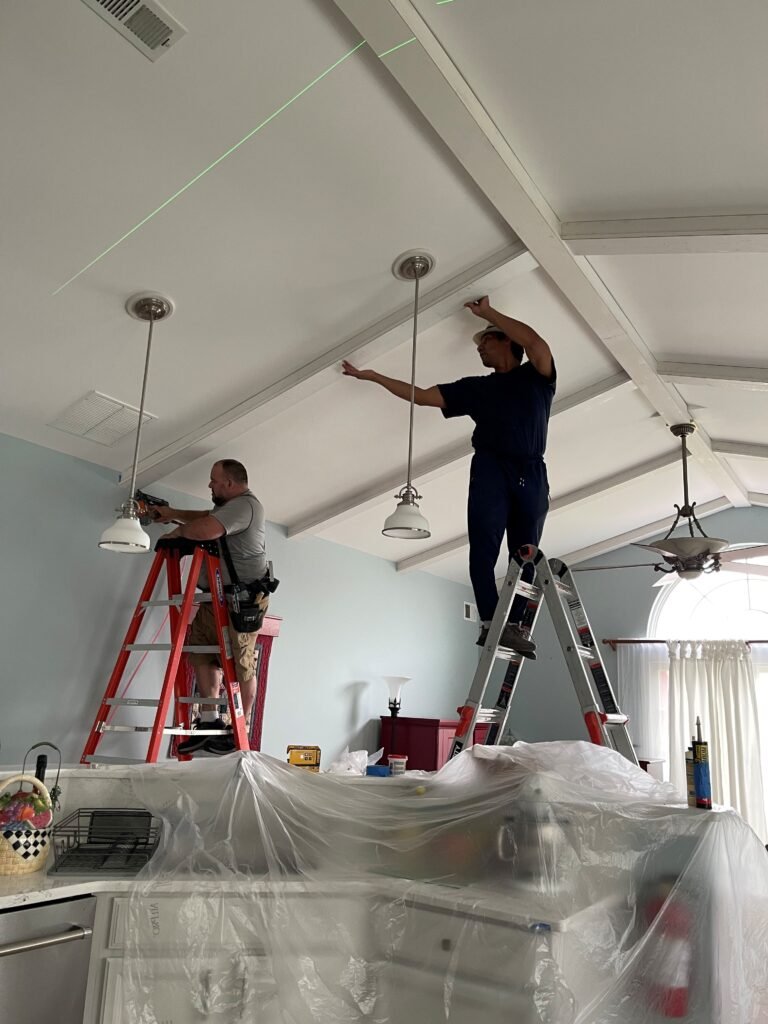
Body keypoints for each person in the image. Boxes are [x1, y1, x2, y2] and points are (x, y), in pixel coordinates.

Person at [342, 296, 555, 657]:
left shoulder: (536, 377)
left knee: (526, 554)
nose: (479, 348)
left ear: (505, 340)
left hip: (532, 471)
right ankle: (490, 621)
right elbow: (423, 396)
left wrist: (489, 313)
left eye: (485, 341)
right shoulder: (477, 388)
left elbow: (536, 343)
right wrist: (374, 377)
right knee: (483, 547)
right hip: (490, 468)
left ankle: (515, 625)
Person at [151, 459, 269, 754]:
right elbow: (206, 516)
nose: (210, 485)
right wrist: (173, 514)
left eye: (214, 481)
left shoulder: (246, 506)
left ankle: (238, 728)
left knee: (241, 662)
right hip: (215, 596)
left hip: (243, 600)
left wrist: (178, 532)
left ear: (230, 483)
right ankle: (208, 721)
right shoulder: (229, 508)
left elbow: (207, 528)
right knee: (201, 649)